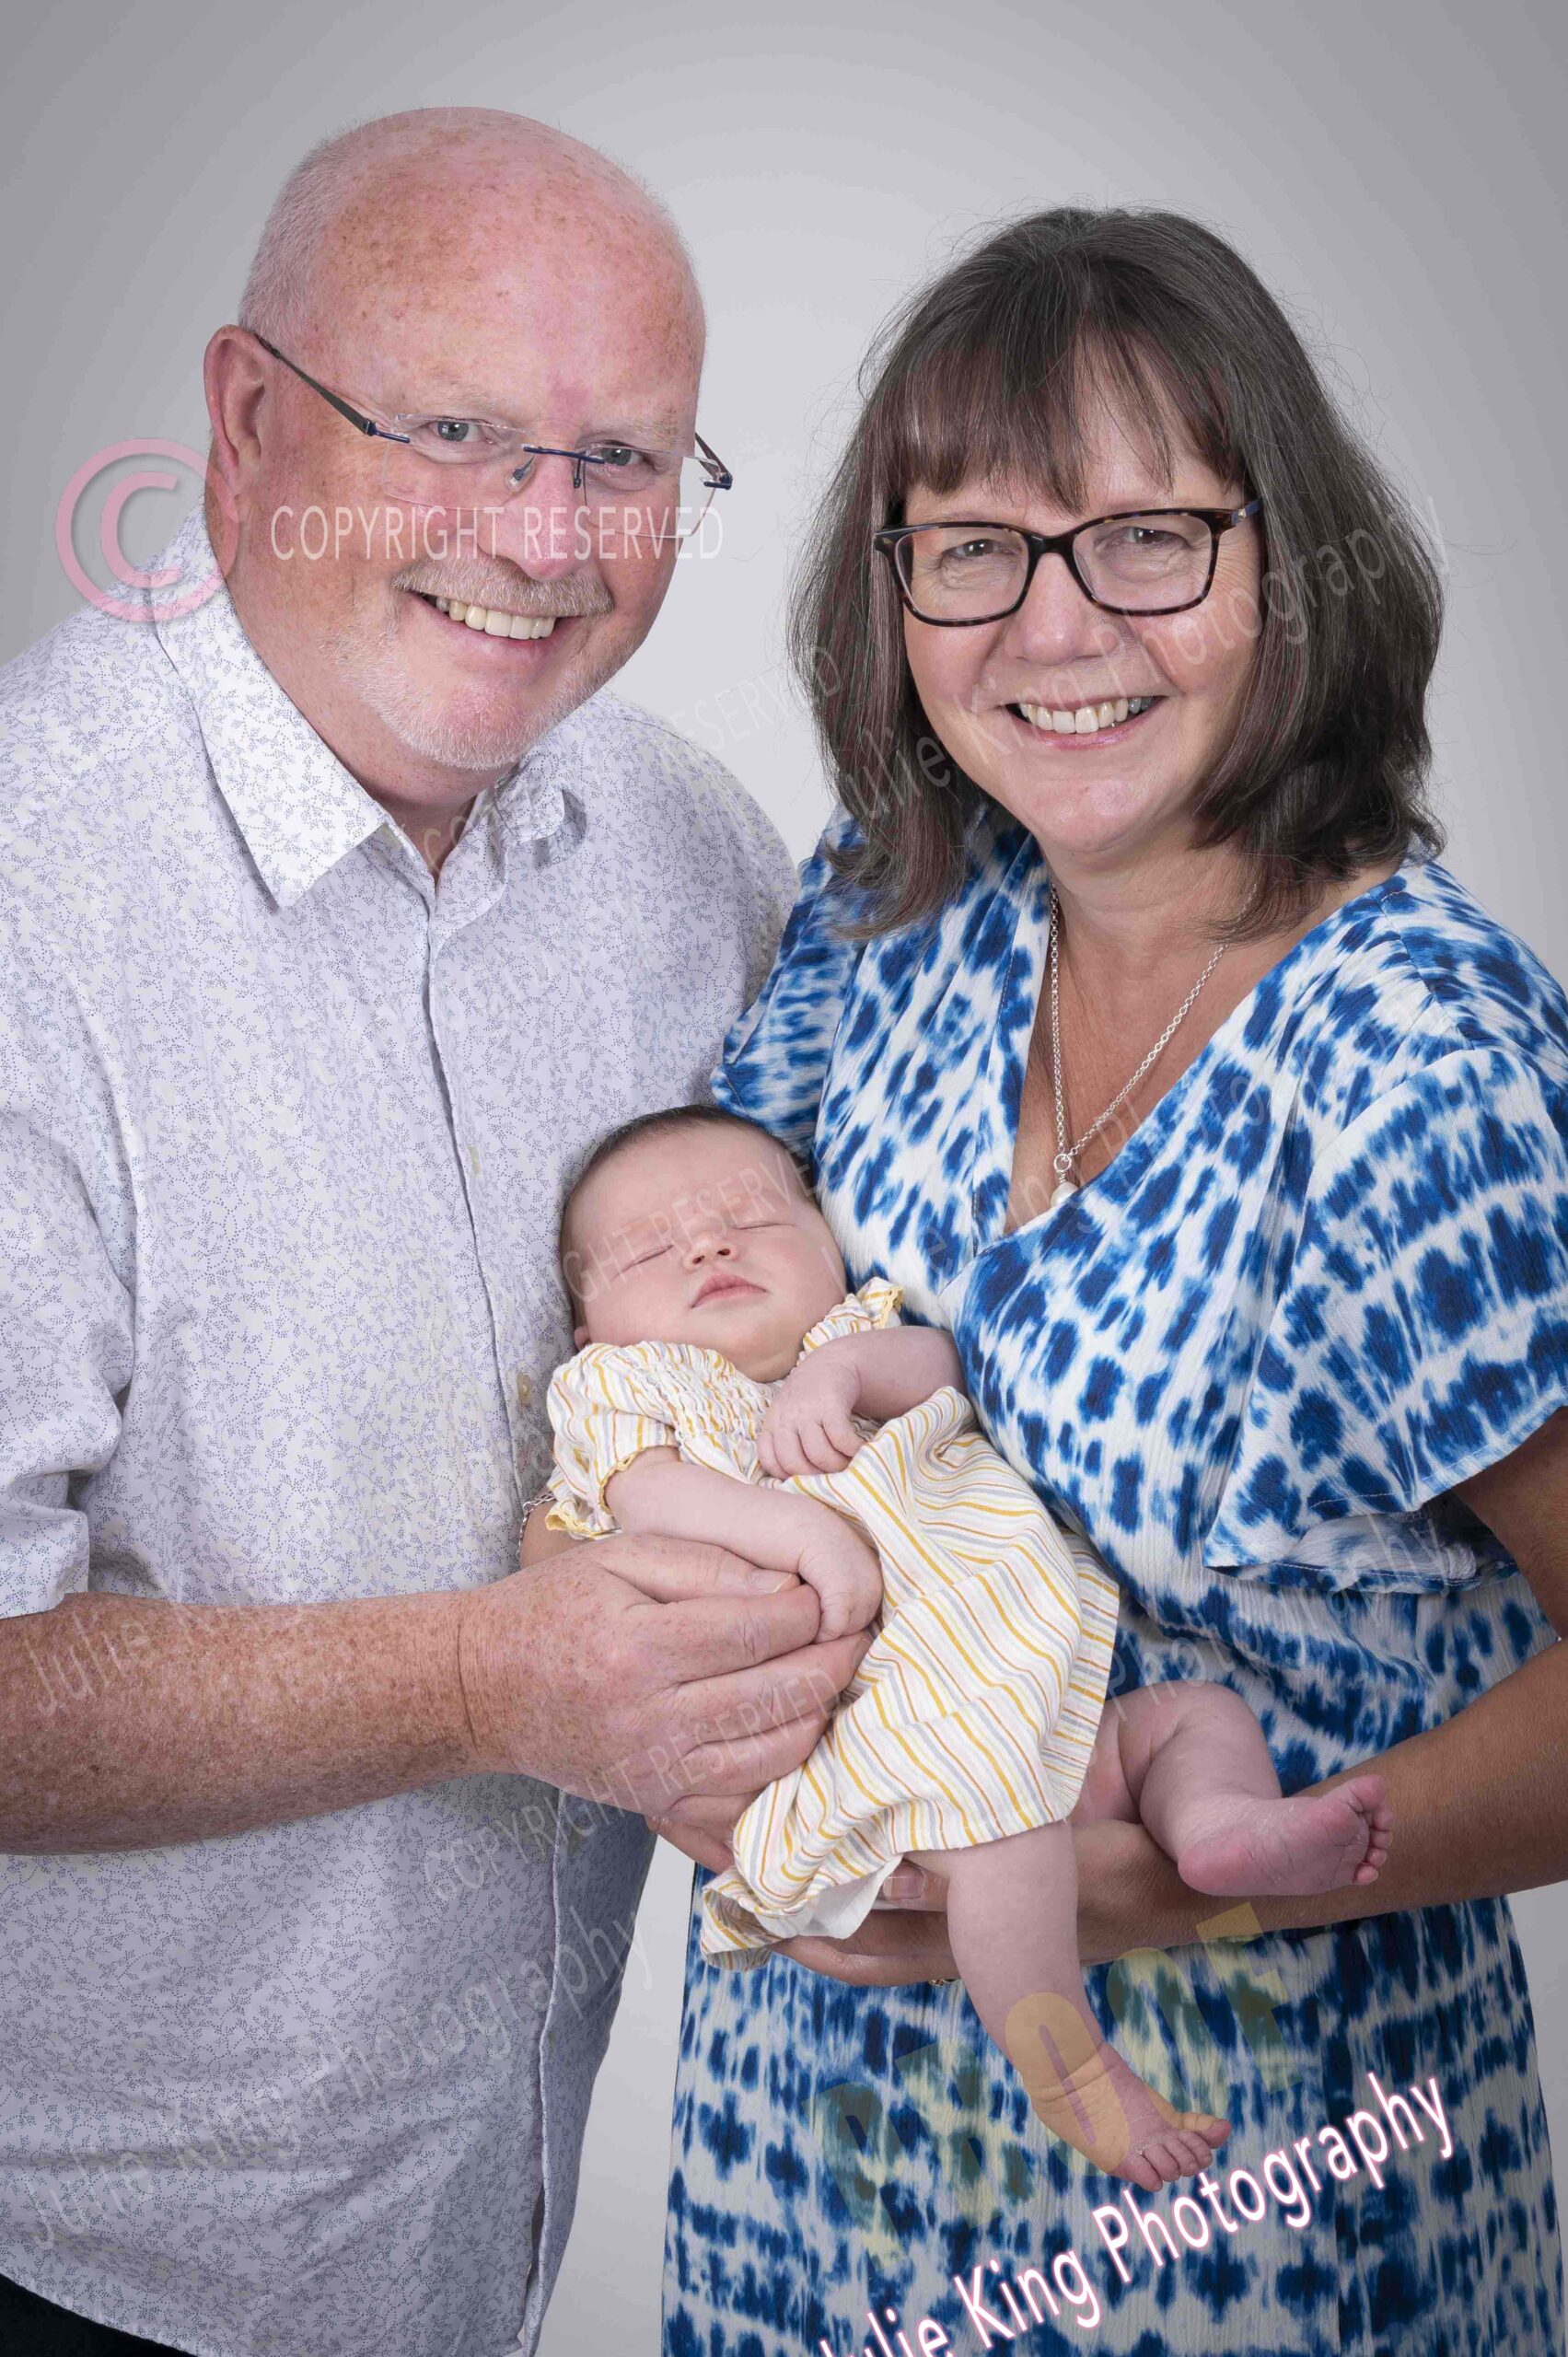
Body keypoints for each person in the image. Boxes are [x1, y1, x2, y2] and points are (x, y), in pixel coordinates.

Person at [652, 208, 1568, 2354]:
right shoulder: (889, 912)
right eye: (970, 548)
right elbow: (690, 1334)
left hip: (1242, 2217)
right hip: (797, 2194)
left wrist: (1137, 1881)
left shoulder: (1415, 1067)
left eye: (1146, 536)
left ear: (1287, 563)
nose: (1052, 625)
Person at [0, 107, 869, 2357]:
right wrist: (490, 1677)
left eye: (622, 459)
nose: (541, 537)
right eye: (456, 430)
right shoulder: (29, 895)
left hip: (481, 2247)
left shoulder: (684, 850)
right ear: (245, 419)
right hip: (74, 2273)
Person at [539, 1101, 1394, 2190]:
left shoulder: (853, 1337)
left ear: (826, 1241)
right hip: (884, 1743)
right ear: (587, 1328)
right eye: (650, 1251)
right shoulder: (625, 1389)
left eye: (751, 1220)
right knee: (1004, 1841)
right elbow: (643, 1496)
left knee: (1188, 1720)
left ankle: (1222, 1827)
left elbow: (951, 1366)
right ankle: (1071, 2072)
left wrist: (840, 1376)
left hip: (1028, 1701)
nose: (709, 1246)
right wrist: (797, 1532)